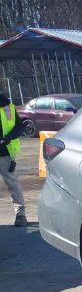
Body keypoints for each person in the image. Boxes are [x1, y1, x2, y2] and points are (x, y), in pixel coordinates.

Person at [0, 93, 26, 227]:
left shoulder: (8, 106)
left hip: (5, 152)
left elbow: (19, 127)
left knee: (12, 184)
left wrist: (8, 137)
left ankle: (20, 214)